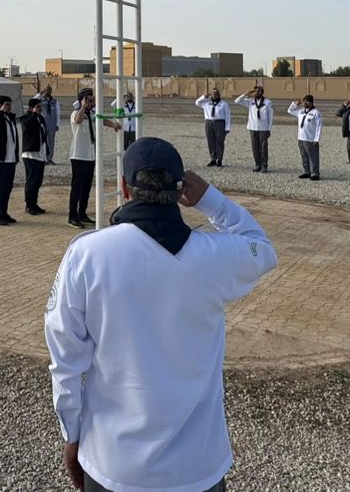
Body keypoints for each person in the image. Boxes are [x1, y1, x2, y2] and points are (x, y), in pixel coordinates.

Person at [44, 138, 277, 492]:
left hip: (112, 461)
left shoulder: (87, 255)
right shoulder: (215, 256)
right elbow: (263, 249)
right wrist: (211, 199)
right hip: (197, 467)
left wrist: (71, 435)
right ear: (181, 191)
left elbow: (65, 361)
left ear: (124, 188)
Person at [69, 89, 120, 228]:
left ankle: (82, 213)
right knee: (77, 188)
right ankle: (72, 216)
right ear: (82, 100)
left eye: (92, 101)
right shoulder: (76, 113)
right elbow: (78, 120)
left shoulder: (92, 114)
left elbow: (102, 120)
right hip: (78, 156)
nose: (92, 103)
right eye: (89, 100)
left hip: (90, 155)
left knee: (86, 187)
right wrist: (83, 107)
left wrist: (114, 125)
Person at [0, 95, 21, 226]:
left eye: (10, 104)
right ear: (0, 105)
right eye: (6, 104)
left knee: (7, 186)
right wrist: (0, 112)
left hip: (10, 158)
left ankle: (3, 212)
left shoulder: (10, 119)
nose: (9, 107)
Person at [233, 85, 274, 173]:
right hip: (252, 127)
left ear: (262, 92)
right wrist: (246, 94)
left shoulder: (267, 102)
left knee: (263, 147)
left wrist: (269, 129)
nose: (257, 93)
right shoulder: (250, 101)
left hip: (263, 128)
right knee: (255, 147)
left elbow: (270, 117)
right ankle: (257, 164)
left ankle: (264, 165)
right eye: (255, 91)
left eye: (259, 91)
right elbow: (237, 101)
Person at [20, 97, 50, 215]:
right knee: (31, 180)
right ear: (31, 108)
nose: (40, 109)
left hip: (40, 154)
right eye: (37, 107)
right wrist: (33, 114)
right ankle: (29, 205)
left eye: (40, 107)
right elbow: (27, 127)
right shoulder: (25, 118)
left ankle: (34, 203)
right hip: (30, 154)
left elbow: (44, 135)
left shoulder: (40, 118)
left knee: (38, 180)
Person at [287, 95, 323, 180]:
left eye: (307, 101)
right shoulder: (301, 111)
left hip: (310, 138)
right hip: (301, 138)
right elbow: (290, 110)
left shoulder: (316, 113)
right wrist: (295, 104)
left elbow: (319, 127)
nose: (305, 103)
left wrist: (316, 139)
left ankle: (315, 173)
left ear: (311, 102)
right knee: (304, 156)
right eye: (304, 101)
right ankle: (307, 171)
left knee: (313, 157)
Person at [194, 89, 231, 168]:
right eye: (213, 93)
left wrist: (227, 128)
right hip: (209, 123)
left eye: (216, 94)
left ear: (219, 95)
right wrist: (203, 97)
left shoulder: (224, 104)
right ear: (211, 95)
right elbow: (197, 102)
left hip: (219, 123)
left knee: (219, 141)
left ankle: (219, 159)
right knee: (210, 141)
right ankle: (213, 159)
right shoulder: (206, 102)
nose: (215, 95)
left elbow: (227, 116)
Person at [41, 86, 62, 164]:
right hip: (43, 124)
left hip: (52, 124)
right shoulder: (40, 100)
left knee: (51, 142)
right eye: (46, 90)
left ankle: (49, 158)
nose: (48, 92)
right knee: (43, 141)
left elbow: (58, 112)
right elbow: (32, 100)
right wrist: (40, 94)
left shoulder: (55, 101)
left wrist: (57, 124)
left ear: (51, 91)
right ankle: (43, 158)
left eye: (49, 90)